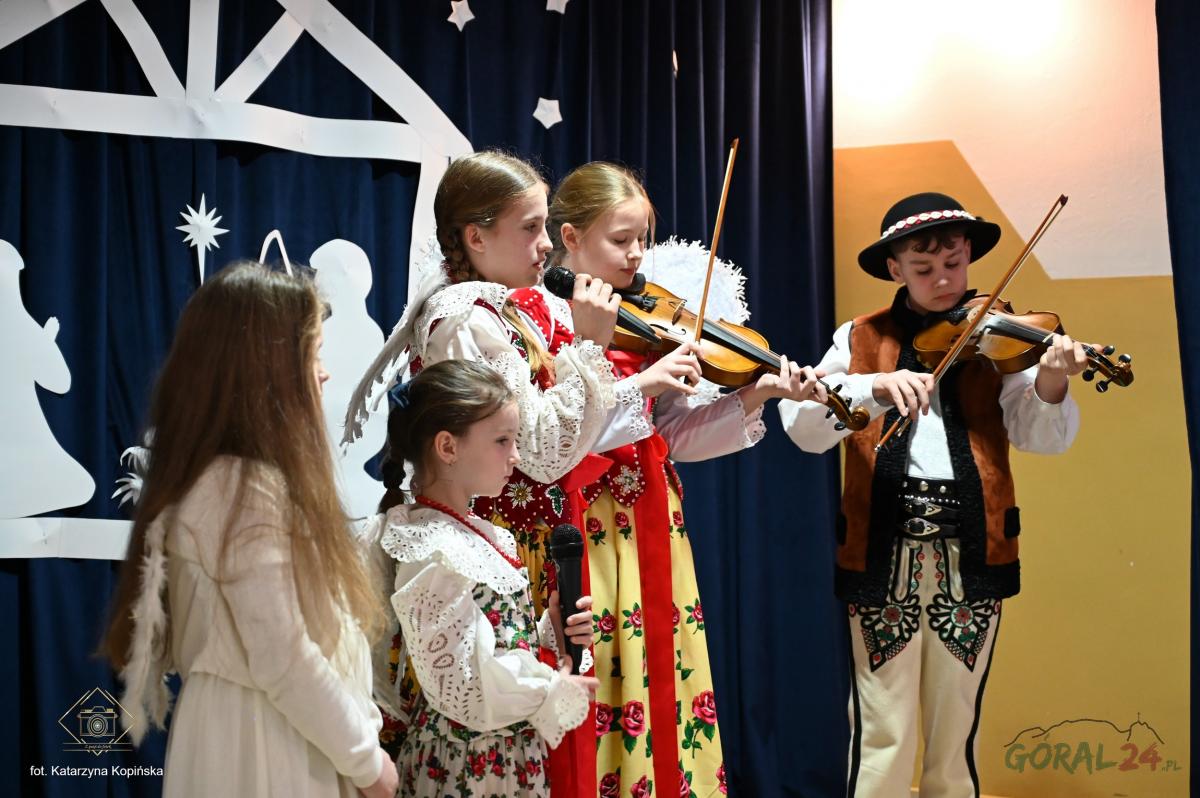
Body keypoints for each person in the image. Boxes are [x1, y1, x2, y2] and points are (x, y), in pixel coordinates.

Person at [778, 192, 1085, 797]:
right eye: (924, 268)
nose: (944, 280)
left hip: (973, 551)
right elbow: (803, 429)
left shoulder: (998, 337)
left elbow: (1040, 438)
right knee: (882, 731)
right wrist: (872, 388)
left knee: (955, 732)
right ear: (895, 268)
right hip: (880, 551)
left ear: (969, 255)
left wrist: (1051, 377)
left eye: (954, 263)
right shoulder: (858, 337)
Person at [548, 161, 828, 796]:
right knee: (599, 668)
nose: (636, 255)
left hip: (653, 512)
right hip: (583, 518)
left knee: (659, 669)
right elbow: (558, 436)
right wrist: (637, 381)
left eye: (642, 239)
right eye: (621, 239)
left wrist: (758, 393)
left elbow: (669, 437)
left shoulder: (647, 320)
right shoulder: (546, 321)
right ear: (570, 237)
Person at [103, 261, 398, 798]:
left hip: (274, 733)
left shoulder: (240, 482)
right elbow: (283, 655)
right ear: (268, 368)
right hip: (263, 745)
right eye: (313, 355)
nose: (324, 373)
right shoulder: (240, 491)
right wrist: (367, 762)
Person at [372, 358, 599, 795]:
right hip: (466, 765)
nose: (516, 456)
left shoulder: (484, 533)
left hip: (509, 754)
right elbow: (461, 684)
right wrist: (549, 688)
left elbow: (491, 642)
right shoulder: (431, 547)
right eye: (502, 440)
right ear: (448, 447)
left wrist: (550, 634)